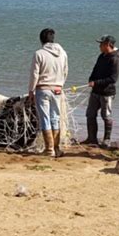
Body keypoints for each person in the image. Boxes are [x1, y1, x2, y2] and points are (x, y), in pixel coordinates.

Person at [28, 28, 68, 157]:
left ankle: (49, 149)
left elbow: (35, 74)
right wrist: (60, 84)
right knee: (55, 117)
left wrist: (31, 90)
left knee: (45, 118)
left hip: (43, 88)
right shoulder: (63, 53)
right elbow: (65, 71)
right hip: (57, 88)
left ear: (41, 40)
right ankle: (56, 148)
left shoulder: (39, 53)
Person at [81, 35, 119, 147]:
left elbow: (113, 79)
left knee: (106, 116)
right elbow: (95, 69)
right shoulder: (102, 56)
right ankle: (91, 138)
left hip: (107, 92)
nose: (99, 46)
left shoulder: (115, 59)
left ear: (108, 45)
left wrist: (96, 83)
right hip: (95, 91)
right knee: (90, 114)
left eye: (101, 44)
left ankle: (107, 140)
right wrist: (91, 79)